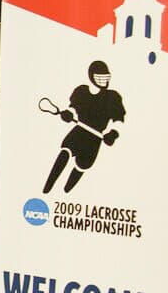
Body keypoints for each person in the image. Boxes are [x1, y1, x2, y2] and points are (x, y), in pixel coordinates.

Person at [43, 60, 126, 194]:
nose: (104, 81)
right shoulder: (81, 91)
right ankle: (47, 188)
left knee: (82, 166)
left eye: (106, 78)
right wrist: (69, 114)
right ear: (92, 76)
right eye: (100, 78)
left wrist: (113, 133)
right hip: (79, 132)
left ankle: (65, 193)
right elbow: (73, 108)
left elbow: (119, 119)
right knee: (65, 151)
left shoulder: (113, 97)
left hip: (95, 138)